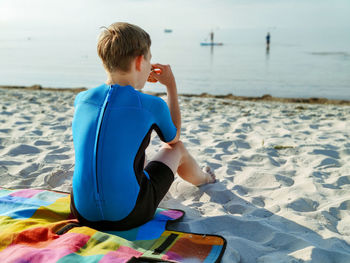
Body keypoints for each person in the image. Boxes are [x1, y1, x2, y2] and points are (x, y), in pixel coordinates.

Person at [70, 22, 216, 231]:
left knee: (130, 154)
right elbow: (173, 138)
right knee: (177, 149)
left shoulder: (82, 99)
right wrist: (170, 85)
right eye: (148, 58)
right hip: (128, 215)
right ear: (140, 61)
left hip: (82, 213)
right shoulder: (150, 104)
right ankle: (205, 179)